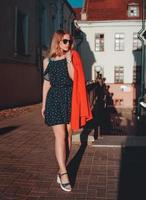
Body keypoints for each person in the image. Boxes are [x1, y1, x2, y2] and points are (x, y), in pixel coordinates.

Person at [41, 30, 92, 192]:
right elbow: (46, 84)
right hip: (54, 99)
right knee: (60, 136)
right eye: (65, 41)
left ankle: (61, 168)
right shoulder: (47, 61)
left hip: (70, 99)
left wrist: (69, 62)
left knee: (68, 136)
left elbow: (74, 79)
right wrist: (43, 105)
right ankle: (64, 172)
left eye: (70, 42)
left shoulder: (72, 57)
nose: (68, 44)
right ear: (57, 41)